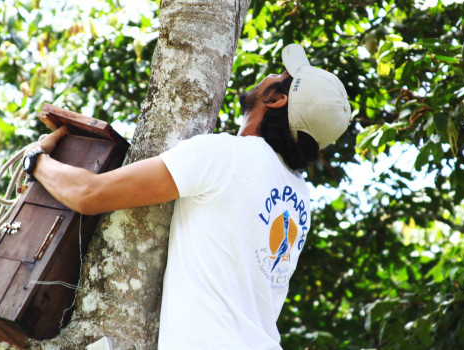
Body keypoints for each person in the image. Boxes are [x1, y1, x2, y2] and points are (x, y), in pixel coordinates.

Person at [22, 44, 350, 349]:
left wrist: (36, 160)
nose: (270, 76)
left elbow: (89, 193)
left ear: (277, 99)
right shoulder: (301, 198)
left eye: (278, 78)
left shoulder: (226, 155)